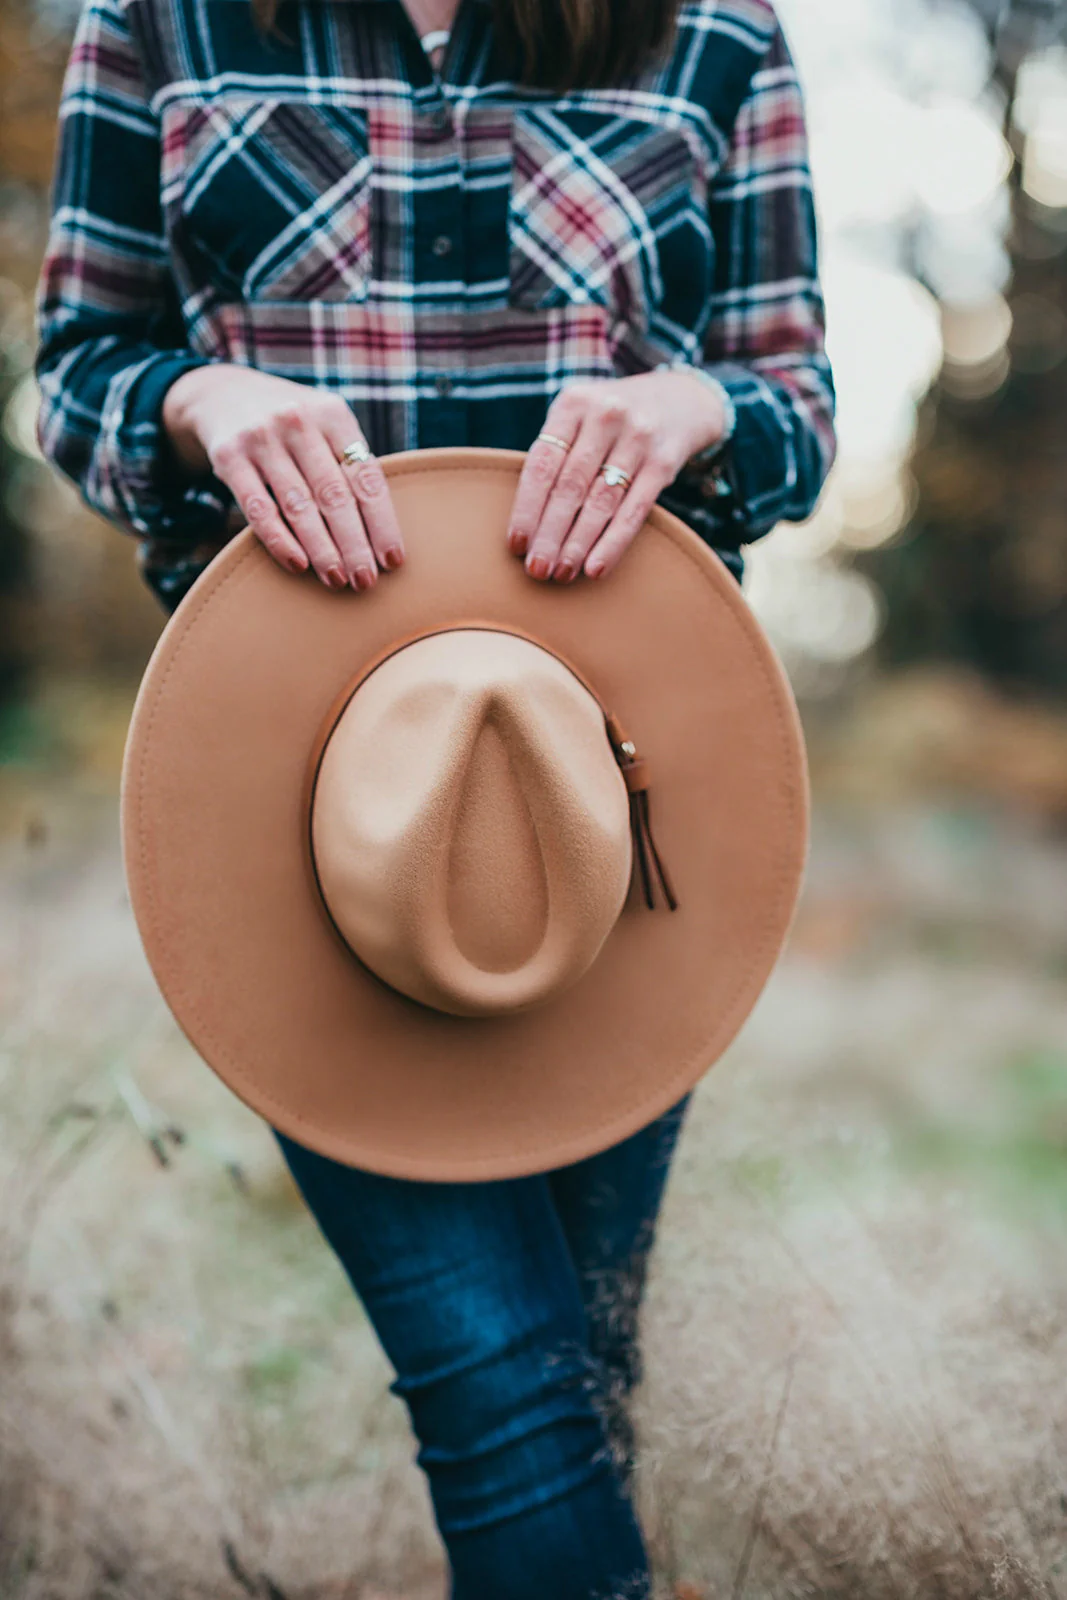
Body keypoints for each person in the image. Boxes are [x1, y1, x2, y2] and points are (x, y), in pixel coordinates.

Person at [35, 0, 835, 1594]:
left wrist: (693, 407)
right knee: (506, 1400)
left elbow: (795, 410)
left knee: (575, 1395)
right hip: (306, 823)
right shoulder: (158, 18)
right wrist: (202, 401)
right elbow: (74, 371)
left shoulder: (716, 36)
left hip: (609, 808)